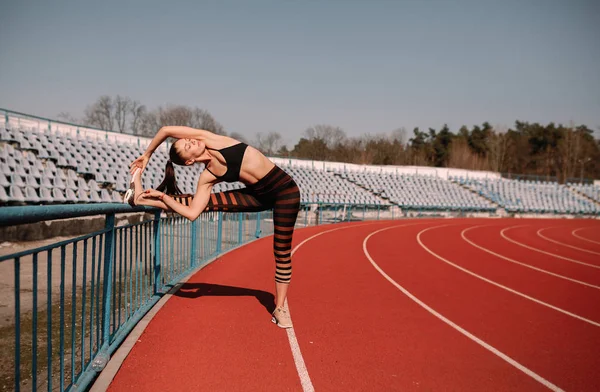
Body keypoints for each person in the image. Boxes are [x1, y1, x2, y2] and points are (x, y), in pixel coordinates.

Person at [128, 126, 300, 328]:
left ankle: (279, 307)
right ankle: (140, 197)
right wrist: (164, 197)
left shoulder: (212, 140)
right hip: (256, 196)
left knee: (281, 251)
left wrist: (146, 156)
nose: (191, 141)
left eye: (188, 140)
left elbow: (166, 130)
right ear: (190, 161)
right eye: (187, 146)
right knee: (200, 202)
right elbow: (192, 213)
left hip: (285, 194)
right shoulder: (207, 177)